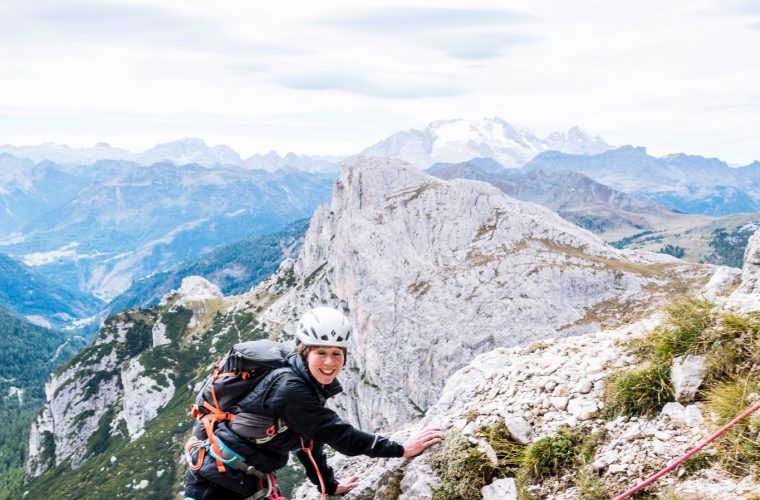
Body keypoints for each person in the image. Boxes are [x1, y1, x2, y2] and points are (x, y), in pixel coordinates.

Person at [184, 306, 442, 499]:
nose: (329, 362)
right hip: (216, 484)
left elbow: (308, 442)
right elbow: (338, 434)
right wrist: (401, 449)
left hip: (238, 478)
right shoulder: (290, 388)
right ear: (304, 352)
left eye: (336, 354)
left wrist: (328, 486)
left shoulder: (306, 383)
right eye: (321, 352)